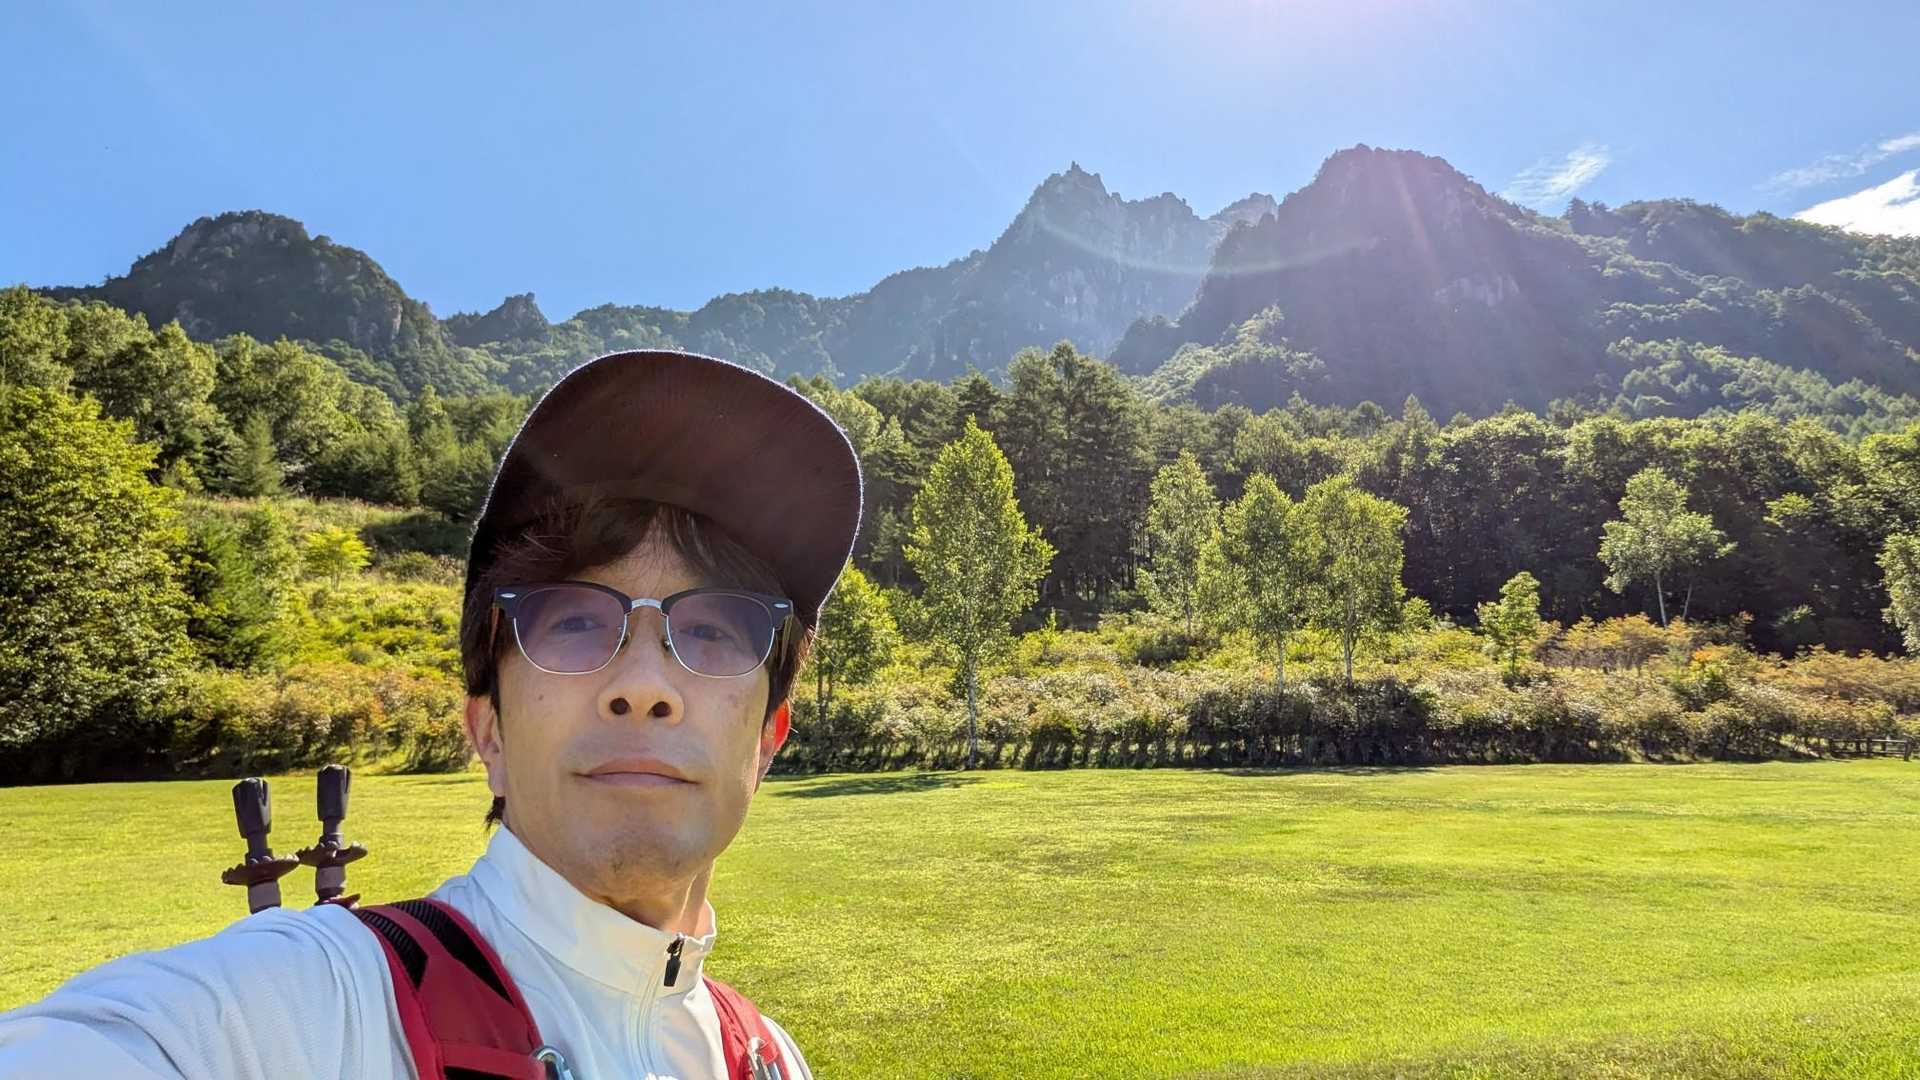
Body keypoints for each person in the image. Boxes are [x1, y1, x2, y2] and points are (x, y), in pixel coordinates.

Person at [0, 349, 864, 1079]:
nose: (643, 685)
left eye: (713, 630)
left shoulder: (772, 1058)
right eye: (573, 622)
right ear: (489, 731)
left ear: (766, 740)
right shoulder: (315, 1004)